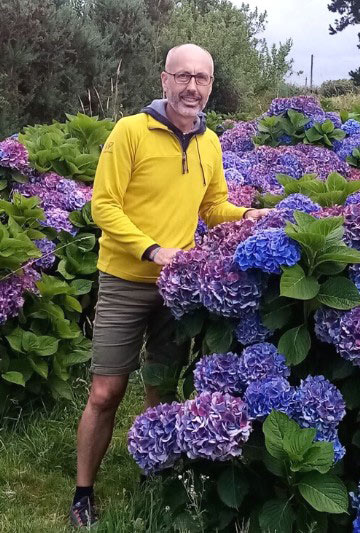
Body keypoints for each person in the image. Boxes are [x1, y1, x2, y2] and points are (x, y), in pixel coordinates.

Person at [69, 43, 270, 528]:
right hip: (124, 278)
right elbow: (104, 206)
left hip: (176, 288)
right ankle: (83, 493)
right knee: (105, 390)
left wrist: (248, 214)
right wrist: (152, 249)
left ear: (210, 87)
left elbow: (213, 206)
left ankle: (151, 475)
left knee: (160, 386)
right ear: (164, 81)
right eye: (182, 76)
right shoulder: (130, 132)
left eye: (201, 78)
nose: (191, 87)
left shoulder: (210, 143)